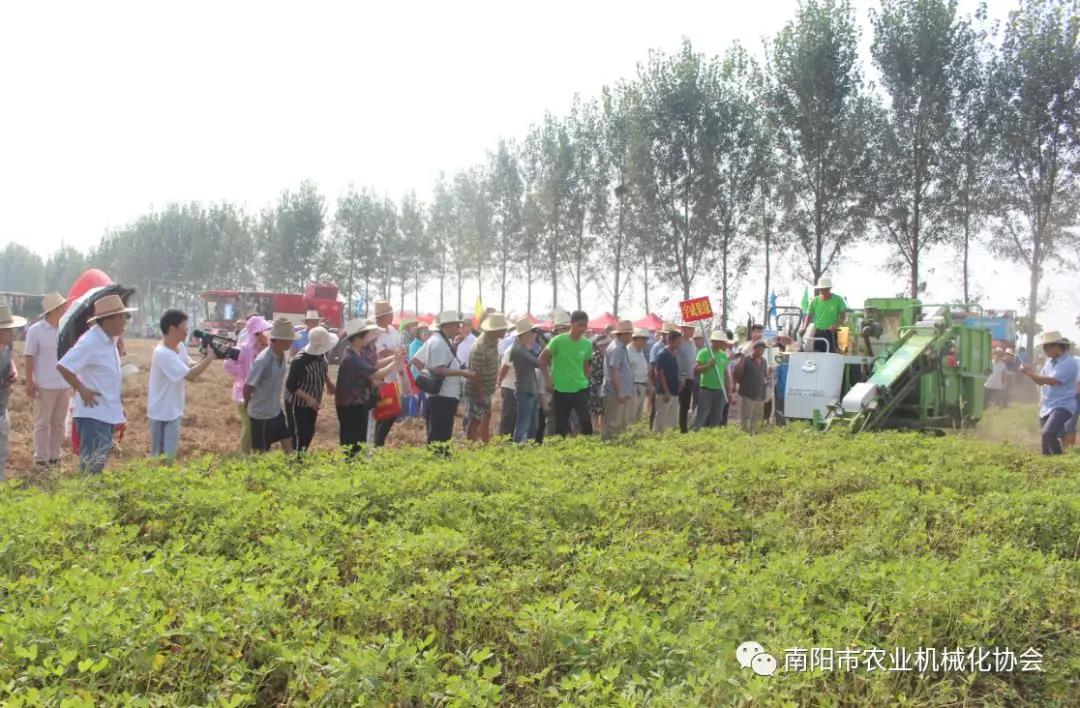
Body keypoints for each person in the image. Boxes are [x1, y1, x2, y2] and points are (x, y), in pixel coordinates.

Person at [57, 294, 136, 475]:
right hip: (93, 416)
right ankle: (86, 492)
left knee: (97, 466)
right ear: (108, 320)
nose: (125, 321)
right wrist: (82, 389)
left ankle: (91, 491)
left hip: (106, 413)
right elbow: (63, 366)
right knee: (91, 468)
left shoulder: (110, 341)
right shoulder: (90, 341)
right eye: (121, 317)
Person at [146, 309, 218, 459]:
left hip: (174, 412)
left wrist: (204, 357)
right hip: (161, 414)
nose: (187, 332)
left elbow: (189, 365)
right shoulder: (162, 353)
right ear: (172, 329)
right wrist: (210, 358)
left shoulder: (179, 346)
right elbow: (191, 375)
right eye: (184, 328)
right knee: (159, 459)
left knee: (169, 458)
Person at [412, 310, 478, 449]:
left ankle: (437, 456)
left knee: (439, 430)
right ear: (448, 326)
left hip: (441, 394)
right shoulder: (438, 343)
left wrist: (428, 375)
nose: (459, 329)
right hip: (443, 395)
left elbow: (416, 360)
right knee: (440, 433)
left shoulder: (437, 340)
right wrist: (461, 372)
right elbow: (439, 369)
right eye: (457, 326)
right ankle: (437, 457)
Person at [336, 319, 397, 458]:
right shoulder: (351, 358)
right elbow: (376, 373)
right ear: (359, 338)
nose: (368, 337)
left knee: (358, 440)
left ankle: (356, 465)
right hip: (350, 406)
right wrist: (395, 361)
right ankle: (351, 467)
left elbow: (373, 367)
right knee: (352, 442)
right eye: (366, 334)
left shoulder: (356, 354)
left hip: (358, 402)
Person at [23, 292, 71, 467]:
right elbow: (29, 356)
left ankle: (54, 455)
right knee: (43, 422)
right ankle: (41, 457)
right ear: (53, 310)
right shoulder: (35, 330)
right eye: (62, 308)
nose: (64, 310)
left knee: (59, 422)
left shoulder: (66, 329)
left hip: (64, 383)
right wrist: (29, 381)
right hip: (45, 384)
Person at [1018, 331, 1077, 456]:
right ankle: (1049, 462)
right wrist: (1030, 371)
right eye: (1044, 347)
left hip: (1062, 405)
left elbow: (1052, 381)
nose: (1045, 350)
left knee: (1048, 433)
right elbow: (1040, 381)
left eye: (1047, 347)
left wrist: (1029, 373)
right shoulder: (1049, 362)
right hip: (1047, 406)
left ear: (1057, 346)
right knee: (1045, 440)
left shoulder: (1067, 363)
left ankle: (1058, 461)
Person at [244, 318, 297, 454]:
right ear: (277, 340)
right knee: (260, 452)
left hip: (276, 410)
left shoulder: (282, 355)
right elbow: (248, 386)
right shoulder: (263, 360)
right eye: (288, 340)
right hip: (261, 414)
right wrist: (246, 403)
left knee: (287, 444)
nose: (291, 342)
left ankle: (293, 467)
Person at [284, 326, 338, 453]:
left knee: (309, 431)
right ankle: (295, 460)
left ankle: (301, 456)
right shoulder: (300, 361)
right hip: (297, 404)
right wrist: (309, 399)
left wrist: (328, 383)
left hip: (313, 402)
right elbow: (290, 385)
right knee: (298, 435)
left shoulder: (321, 354)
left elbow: (322, 368)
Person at [540, 310, 594, 437]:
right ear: (572, 324)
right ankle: (560, 447)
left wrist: (589, 382)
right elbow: (542, 359)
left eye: (585, 325)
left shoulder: (587, 344)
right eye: (580, 325)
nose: (583, 329)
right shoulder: (558, 341)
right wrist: (548, 380)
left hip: (581, 389)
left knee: (586, 423)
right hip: (561, 390)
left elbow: (586, 366)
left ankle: (587, 446)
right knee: (561, 427)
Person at [223, 316, 272, 454]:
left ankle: (257, 454)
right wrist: (243, 375)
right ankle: (245, 455)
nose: (267, 335)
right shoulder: (243, 350)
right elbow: (227, 364)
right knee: (249, 426)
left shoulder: (263, 350)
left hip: (259, 394)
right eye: (265, 332)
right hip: (243, 395)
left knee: (257, 427)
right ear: (257, 334)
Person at [465, 312, 508, 443]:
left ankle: (485, 445)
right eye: (503, 328)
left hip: (486, 390)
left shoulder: (494, 341)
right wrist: (479, 395)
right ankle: (471, 447)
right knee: (475, 419)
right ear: (495, 330)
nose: (506, 331)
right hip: (477, 390)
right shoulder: (480, 346)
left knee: (486, 416)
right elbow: (475, 373)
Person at [368, 300, 406, 447]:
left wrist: (401, 350)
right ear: (380, 317)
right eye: (388, 314)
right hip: (381, 376)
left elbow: (398, 346)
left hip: (394, 375)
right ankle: (376, 442)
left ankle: (378, 442)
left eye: (391, 314)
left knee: (392, 411)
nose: (391, 317)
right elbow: (381, 352)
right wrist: (396, 353)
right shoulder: (374, 332)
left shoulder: (392, 330)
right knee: (385, 411)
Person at [0, 305, 27, 481]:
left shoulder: (6, 347)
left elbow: (9, 361)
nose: (12, 333)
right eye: (8, 329)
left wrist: (13, 370)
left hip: (2, 409)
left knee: (2, 455)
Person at [510, 318, 543, 443]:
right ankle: (518, 447)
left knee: (534, 424)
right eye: (532, 332)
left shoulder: (523, 348)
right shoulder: (518, 350)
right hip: (525, 390)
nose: (533, 335)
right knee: (523, 423)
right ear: (526, 333)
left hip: (530, 389)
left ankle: (529, 448)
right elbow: (538, 362)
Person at [602, 320, 635, 440]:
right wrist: (620, 391)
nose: (631, 336)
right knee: (613, 424)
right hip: (614, 393)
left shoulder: (620, 347)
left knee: (619, 424)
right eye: (630, 334)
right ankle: (609, 447)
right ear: (623, 334)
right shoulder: (617, 348)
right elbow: (614, 370)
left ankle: (616, 445)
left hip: (618, 392)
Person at [692, 331, 731, 431]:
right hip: (706, 389)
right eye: (721, 341)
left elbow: (725, 373)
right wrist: (708, 365)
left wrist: (728, 390)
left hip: (720, 390)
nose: (723, 344)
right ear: (714, 341)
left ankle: (713, 435)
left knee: (717, 417)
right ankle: (695, 433)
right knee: (702, 415)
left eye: (723, 342)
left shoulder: (724, 355)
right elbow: (695, 370)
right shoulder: (704, 353)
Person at [800, 277, 847, 353]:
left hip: (831, 333)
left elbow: (843, 316)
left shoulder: (838, 300)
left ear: (830, 289)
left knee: (830, 355)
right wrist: (804, 328)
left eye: (826, 290)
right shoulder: (814, 301)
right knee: (817, 354)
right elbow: (809, 317)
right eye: (822, 290)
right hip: (818, 333)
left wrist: (836, 325)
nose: (823, 292)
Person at [734, 340, 768, 434]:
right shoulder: (746, 359)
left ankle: (755, 433)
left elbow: (764, 375)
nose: (762, 351)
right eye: (760, 349)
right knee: (746, 416)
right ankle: (745, 434)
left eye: (763, 349)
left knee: (757, 416)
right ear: (754, 349)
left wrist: (767, 376)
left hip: (760, 394)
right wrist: (741, 360)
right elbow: (738, 374)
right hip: (747, 393)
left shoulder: (764, 361)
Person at [653, 329, 682, 432]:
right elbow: (659, 373)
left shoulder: (675, 354)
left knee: (672, 420)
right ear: (670, 341)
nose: (679, 344)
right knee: (661, 418)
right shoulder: (662, 354)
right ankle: (657, 437)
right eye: (677, 342)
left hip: (674, 390)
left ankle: (669, 438)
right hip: (664, 392)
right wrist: (666, 391)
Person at [677, 323, 699, 433]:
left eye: (693, 329)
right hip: (678, 377)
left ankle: (683, 427)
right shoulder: (678, 342)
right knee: (676, 403)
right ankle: (674, 427)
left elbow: (693, 360)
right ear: (683, 329)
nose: (692, 331)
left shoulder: (692, 344)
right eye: (690, 328)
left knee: (686, 404)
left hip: (690, 377)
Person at [648, 326, 671, 429]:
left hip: (668, 382)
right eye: (667, 334)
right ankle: (652, 430)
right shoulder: (657, 347)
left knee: (665, 409)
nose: (668, 336)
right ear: (663, 334)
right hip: (658, 382)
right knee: (655, 409)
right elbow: (652, 367)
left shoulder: (671, 347)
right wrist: (653, 384)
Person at [407, 324, 430, 418]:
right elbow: (414, 360)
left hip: (426, 375)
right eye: (423, 332)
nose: (426, 334)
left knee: (425, 398)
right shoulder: (414, 345)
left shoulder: (428, 344)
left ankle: (425, 416)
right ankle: (413, 417)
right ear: (418, 334)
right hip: (416, 376)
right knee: (416, 397)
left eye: (427, 332)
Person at [628, 328, 650, 423]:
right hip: (633, 386)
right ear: (637, 339)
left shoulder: (640, 351)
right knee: (631, 415)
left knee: (638, 415)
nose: (645, 342)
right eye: (644, 339)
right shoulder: (628, 351)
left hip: (642, 386)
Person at [589, 336, 609, 433]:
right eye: (602, 345)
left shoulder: (610, 356)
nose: (604, 347)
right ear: (598, 346)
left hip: (606, 387)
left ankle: (602, 432)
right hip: (594, 387)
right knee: (594, 412)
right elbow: (589, 373)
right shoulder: (593, 357)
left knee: (604, 411)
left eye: (606, 345)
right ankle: (595, 431)